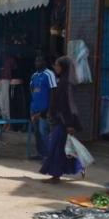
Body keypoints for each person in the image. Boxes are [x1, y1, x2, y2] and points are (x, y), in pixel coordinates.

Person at [40, 56, 84, 184]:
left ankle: (55, 175)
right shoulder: (61, 81)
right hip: (60, 120)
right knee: (62, 148)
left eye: (58, 65)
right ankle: (78, 167)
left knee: (56, 148)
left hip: (64, 121)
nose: (55, 68)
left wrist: (70, 124)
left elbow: (68, 105)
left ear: (63, 67)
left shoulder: (65, 83)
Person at [29, 57, 57, 160]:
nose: (37, 63)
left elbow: (53, 91)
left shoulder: (49, 74)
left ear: (44, 62)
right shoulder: (34, 75)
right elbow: (31, 89)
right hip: (34, 109)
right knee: (36, 133)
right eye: (36, 61)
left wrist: (49, 109)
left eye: (39, 60)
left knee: (43, 132)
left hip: (45, 110)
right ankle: (40, 153)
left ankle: (48, 156)